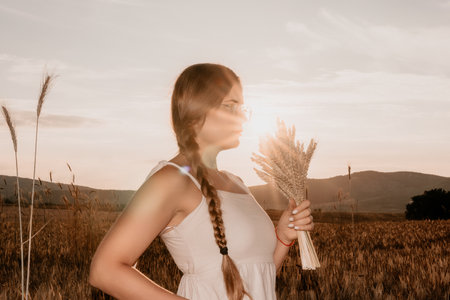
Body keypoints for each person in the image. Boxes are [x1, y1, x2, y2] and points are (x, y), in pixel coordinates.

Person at [88, 63, 314, 300]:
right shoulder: (172, 179)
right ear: (196, 111)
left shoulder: (236, 182)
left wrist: (283, 237)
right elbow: (104, 270)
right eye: (230, 106)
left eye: (242, 108)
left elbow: (257, 278)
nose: (242, 117)